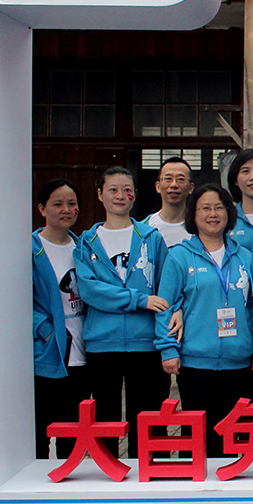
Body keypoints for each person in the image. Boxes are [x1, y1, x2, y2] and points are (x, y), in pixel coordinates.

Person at [156, 185, 253, 458]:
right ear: (193, 215)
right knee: (197, 439)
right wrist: (168, 349)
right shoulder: (179, 256)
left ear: (229, 213)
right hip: (195, 363)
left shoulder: (245, 257)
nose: (213, 214)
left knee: (235, 437)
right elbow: (165, 305)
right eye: (205, 208)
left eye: (219, 207)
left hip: (239, 362)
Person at [75, 166, 170, 458]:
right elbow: (90, 290)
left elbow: (165, 291)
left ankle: (151, 474)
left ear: (135, 195)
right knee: (105, 419)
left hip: (146, 344)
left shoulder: (151, 238)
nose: (120, 195)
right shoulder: (87, 242)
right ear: (100, 194)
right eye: (113, 189)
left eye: (127, 190)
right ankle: (108, 473)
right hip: (103, 344)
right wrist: (139, 300)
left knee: (149, 417)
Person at [32, 178, 91, 459]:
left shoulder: (84, 248)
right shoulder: (29, 250)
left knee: (74, 431)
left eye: (72, 203)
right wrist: (45, 330)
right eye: (57, 204)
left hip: (83, 350)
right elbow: (15, 302)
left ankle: (70, 478)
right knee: (40, 431)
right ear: (42, 209)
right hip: (48, 351)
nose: (66, 210)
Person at [146, 156, 195, 247]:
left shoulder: (201, 227)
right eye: (168, 178)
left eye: (180, 179)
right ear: (158, 186)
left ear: (191, 188)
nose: (174, 185)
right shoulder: (144, 228)